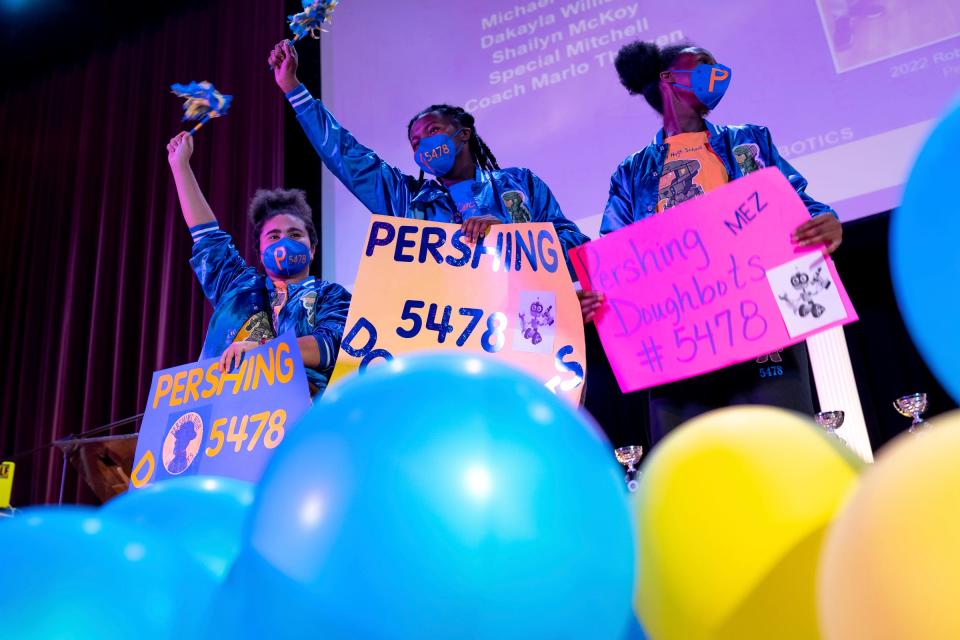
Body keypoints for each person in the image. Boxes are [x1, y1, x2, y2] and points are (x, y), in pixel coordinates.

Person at [585, 40, 843, 443]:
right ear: (667, 79)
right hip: (679, 342)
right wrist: (595, 294)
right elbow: (615, 255)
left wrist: (826, 222)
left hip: (762, 326)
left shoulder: (747, 142)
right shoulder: (633, 172)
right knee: (697, 468)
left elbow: (796, 202)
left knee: (782, 450)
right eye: (703, 64)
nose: (717, 71)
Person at [266, 40, 589, 274]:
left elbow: (575, 244)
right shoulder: (408, 199)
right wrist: (293, 88)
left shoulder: (520, 183)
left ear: (463, 134)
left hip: (533, 323)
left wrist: (509, 234)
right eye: (414, 142)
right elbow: (346, 155)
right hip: (457, 336)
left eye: (432, 131)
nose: (422, 144)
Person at [166, 131, 351, 395]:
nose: (284, 242)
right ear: (260, 250)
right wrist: (180, 166)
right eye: (274, 237)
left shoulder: (332, 295)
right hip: (223, 412)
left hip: (298, 413)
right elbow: (206, 235)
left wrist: (264, 351)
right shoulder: (237, 287)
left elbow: (330, 345)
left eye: (295, 235)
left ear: (312, 249)